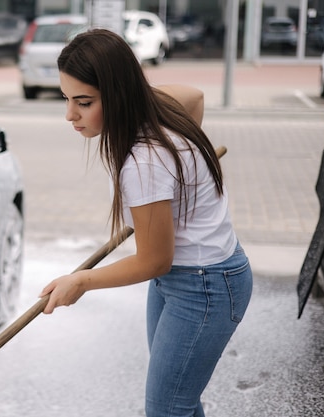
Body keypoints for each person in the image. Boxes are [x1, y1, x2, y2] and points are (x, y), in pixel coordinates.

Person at [39, 28, 253, 417]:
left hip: (204, 285)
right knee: (178, 402)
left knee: (168, 408)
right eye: (67, 99)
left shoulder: (144, 161)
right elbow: (194, 97)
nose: (70, 115)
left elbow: (155, 260)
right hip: (188, 278)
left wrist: (82, 280)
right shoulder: (156, 111)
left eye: (84, 102)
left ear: (119, 95)